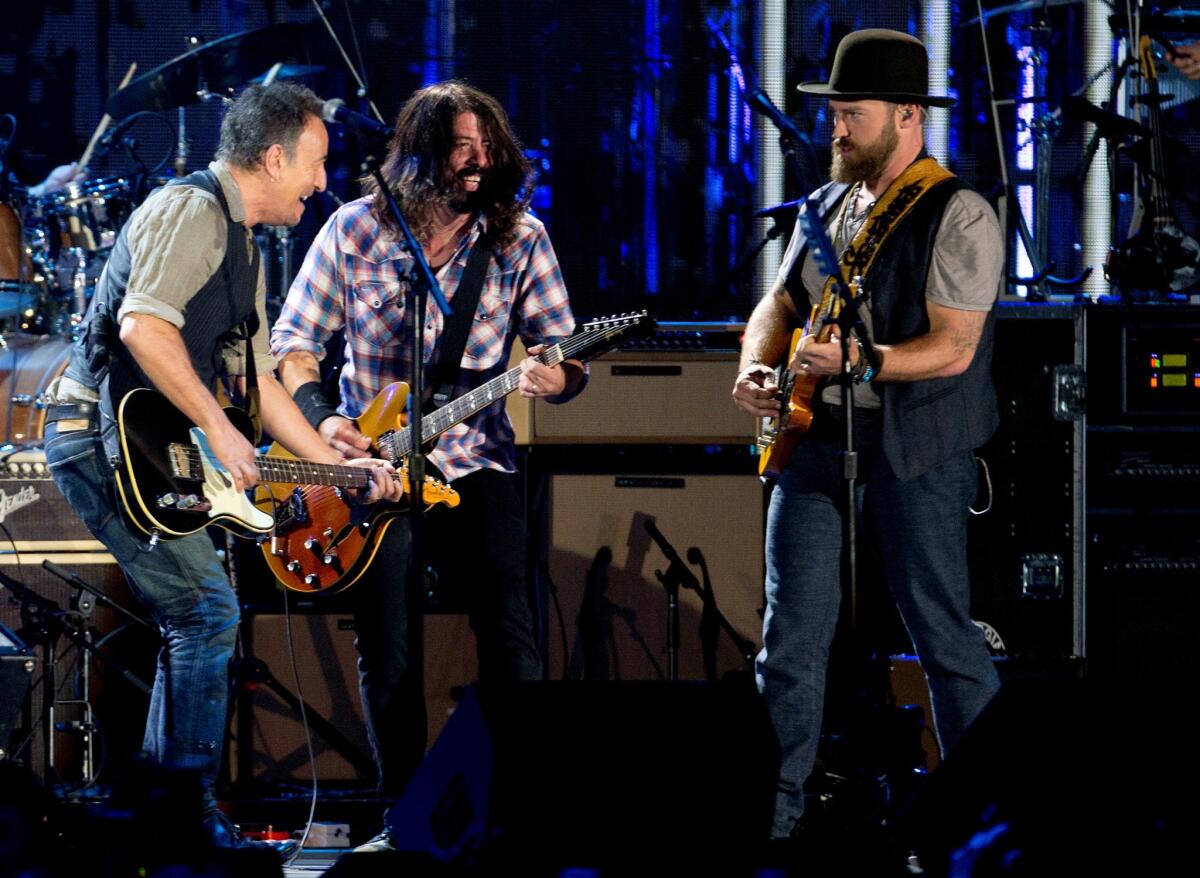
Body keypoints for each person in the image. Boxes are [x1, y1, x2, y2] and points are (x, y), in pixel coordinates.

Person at [43, 81, 402, 859]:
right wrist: (220, 432)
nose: (321, 181)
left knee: (199, 615)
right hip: (93, 434)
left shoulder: (245, 246)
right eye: (314, 163)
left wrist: (341, 467)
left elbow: (262, 382)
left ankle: (166, 812)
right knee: (206, 613)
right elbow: (143, 327)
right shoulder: (191, 210)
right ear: (273, 158)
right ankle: (178, 816)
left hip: (147, 441)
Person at [272, 79, 586, 852]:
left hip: (474, 462)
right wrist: (326, 423)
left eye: (488, 148)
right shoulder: (353, 232)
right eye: (461, 148)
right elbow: (294, 344)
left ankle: (516, 812)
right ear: (419, 156)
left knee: (512, 632)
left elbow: (563, 356)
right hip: (371, 474)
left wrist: (561, 375)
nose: (479, 162)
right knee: (389, 644)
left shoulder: (521, 238)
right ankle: (402, 817)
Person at [730, 29, 1004, 840]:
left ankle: (984, 823)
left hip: (915, 449)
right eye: (836, 113)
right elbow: (776, 306)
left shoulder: (959, 212)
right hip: (814, 445)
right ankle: (769, 828)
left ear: (908, 116)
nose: (837, 129)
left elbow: (954, 346)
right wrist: (755, 365)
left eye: (853, 114)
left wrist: (864, 358)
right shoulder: (823, 207)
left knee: (942, 636)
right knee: (789, 641)